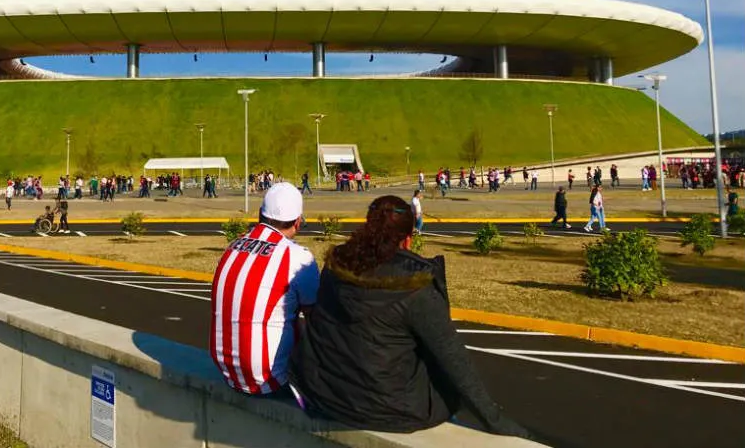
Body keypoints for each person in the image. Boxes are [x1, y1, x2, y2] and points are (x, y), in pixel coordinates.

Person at [289, 195, 529, 438]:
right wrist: (495, 421)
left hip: (328, 398)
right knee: (444, 386)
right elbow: (453, 359)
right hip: (390, 411)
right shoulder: (415, 286)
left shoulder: (335, 268)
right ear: (407, 239)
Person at [209, 182, 319, 395]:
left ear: (260, 214)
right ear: (297, 222)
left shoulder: (233, 245)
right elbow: (315, 317)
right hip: (272, 379)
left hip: (227, 372)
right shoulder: (297, 256)